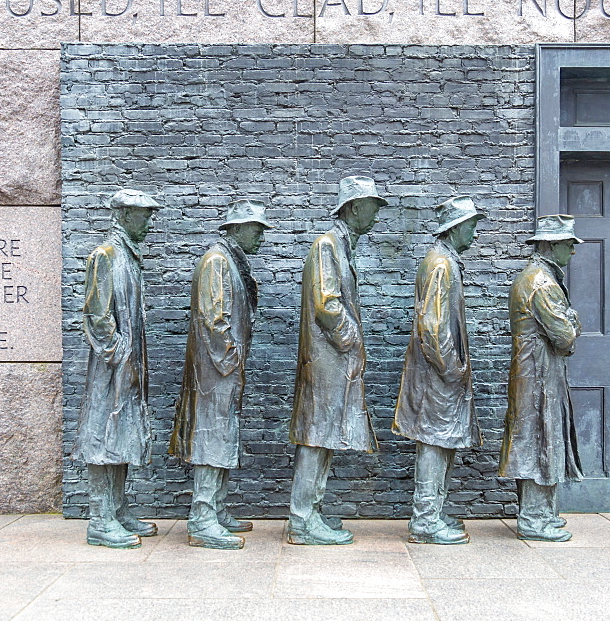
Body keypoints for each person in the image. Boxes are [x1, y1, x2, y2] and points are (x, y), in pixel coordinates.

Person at [288, 175, 388, 545]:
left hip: (335, 361)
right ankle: (301, 519)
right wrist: (353, 342)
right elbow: (327, 305)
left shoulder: (341, 247)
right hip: (327, 361)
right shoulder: (326, 246)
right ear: (354, 208)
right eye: (373, 207)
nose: (376, 216)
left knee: (325, 436)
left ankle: (310, 512)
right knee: (317, 436)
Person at [170, 200, 272, 549]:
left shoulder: (230, 260)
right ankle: (202, 518)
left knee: (223, 434)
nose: (260, 236)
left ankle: (216, 507)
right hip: (217, 369)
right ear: (236, 228)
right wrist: (230, 359)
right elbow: (215, 319)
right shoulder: (217, 261)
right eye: (255, 228)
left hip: (223, 368)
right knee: (212, 437)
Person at [393, 196, 485, 545]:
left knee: (444, 440)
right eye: (472, 226)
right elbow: (431, 325)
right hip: (438, 374)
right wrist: (452, 369)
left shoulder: (445, 261)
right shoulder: (440, 264)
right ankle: (425, 520)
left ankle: (434, 511)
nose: (475, 234)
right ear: (456, 227)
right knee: (434, 440)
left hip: (442, 372)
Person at [73, 189, 161, 549]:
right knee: (101, 435)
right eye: (145, 215)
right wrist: (118, 352)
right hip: (112, 367)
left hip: (128, 365)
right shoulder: (105, 255)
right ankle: (100, 518)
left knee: (122, 433)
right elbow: (97, 314)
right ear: (124, 215)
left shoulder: (128, 256)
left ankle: (118, 509)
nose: (150, 222)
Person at [499, 214, 584, 542]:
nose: (572, 251)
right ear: (549, 245)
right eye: (567, 245)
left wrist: (569, 323)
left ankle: (543, 512)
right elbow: (565, 337)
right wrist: (573, 324)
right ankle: (534, 519)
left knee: (543, 439)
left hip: (540, 372)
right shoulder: (541, 283)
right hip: (538, 375)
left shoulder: (539, 277)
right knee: (539, 441)